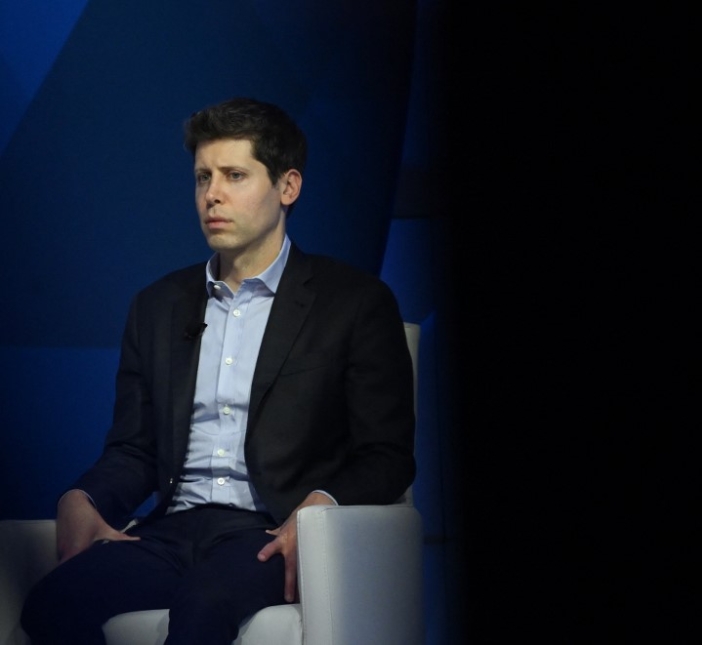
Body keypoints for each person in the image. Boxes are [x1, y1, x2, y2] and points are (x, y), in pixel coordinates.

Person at [20, 97, 416, 645]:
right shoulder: (157, 306)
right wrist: (83, 498)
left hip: (265, 532)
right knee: (49, 602)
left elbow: (387, 456)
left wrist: (318, 510)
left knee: (202, 607)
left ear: (288, 187)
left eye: (234, 175)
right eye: (203, 176)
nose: (212, 194)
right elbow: (133, 450)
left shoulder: (354, 302)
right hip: (171, 530)